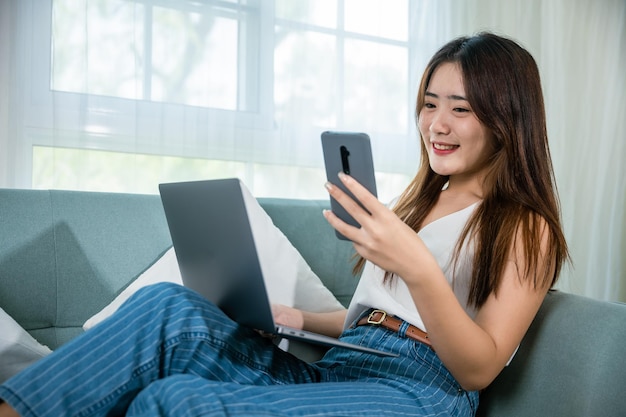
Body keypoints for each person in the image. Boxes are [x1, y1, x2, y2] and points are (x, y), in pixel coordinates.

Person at [0, 32, 569, 417]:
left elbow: (480, 367)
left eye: (461, 109)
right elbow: (375, 320)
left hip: (415, 391)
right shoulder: (419, 202)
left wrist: (418, 267)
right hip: (343, 370)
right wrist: (296, 319)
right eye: (429, 103)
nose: (436, 124)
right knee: (165, 308)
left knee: (177, 400)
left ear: (506, 117)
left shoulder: (524, 226)